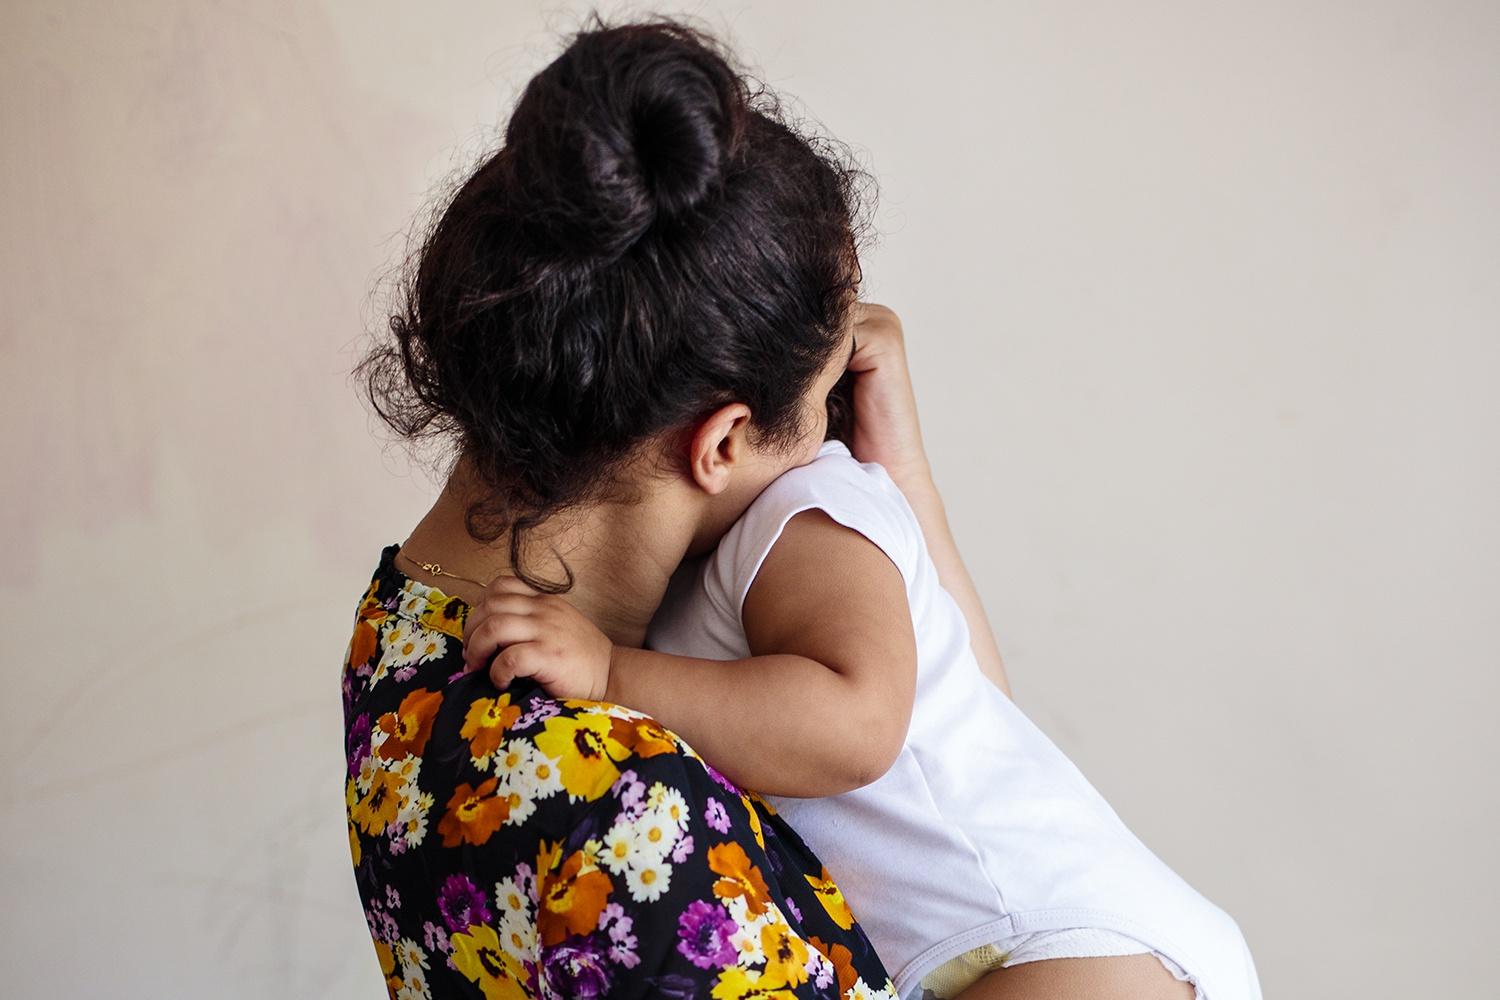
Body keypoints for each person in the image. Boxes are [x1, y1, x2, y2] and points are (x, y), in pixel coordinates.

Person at [462, 304, 1264, 1000]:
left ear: (724, 437)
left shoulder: (803, 507)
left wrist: (612, 673)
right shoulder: (730, 547)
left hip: (1066, 949)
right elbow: (979, 701)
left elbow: (857, 725)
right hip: (1025, 939)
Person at [343, 13, 902, 998]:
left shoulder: (399, 628)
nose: (839, 435)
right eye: (829, 402)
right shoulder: (635, 816)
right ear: (721, 443)